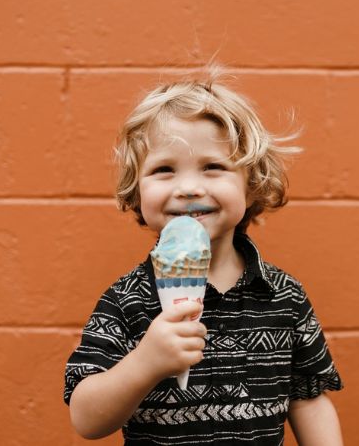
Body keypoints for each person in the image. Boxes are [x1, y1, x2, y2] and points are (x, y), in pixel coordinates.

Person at [64, 69, 344, 445]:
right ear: (137, 190)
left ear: (252, 182)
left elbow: (309, 399)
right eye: (164, 170)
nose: (189, 187)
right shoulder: (127, 300)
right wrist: (145, 362)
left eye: (213, 167)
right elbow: (86, 419)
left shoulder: (284, 296)